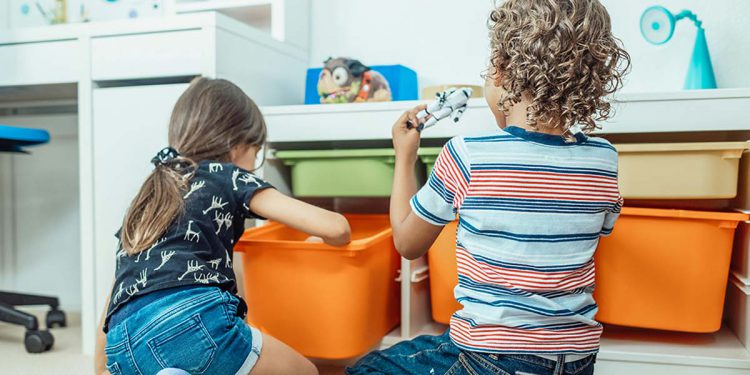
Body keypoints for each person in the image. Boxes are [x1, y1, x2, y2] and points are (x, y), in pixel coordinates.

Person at [347, 0, 630, 374]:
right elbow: (598, 228)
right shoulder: (603, 159)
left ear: (502, 70)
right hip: (575, 361)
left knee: (368, 368)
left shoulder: (468, 154)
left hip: (491, 357)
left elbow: (407, 243)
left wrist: (404, 156)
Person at [94, 77, 351, 375]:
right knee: (307, 371)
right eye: (255, 153)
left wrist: (101, 369)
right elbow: (336, 227)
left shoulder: (150, 194)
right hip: (194, 320)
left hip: (123, 346)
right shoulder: (225, 174)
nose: (253, 163)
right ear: (235, 146)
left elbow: (116, 292)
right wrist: (323, 242)